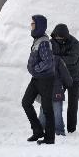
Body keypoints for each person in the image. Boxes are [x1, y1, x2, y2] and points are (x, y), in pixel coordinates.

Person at [21, 15, 55, 145]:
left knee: (47, 108)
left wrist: (36, 68)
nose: (31, 25)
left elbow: (47, 61)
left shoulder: (44, 42)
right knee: (26, 102)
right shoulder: (38, 40)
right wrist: (35, 71)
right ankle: (38, 131)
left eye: (33, 23)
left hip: (45, 79)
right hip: (36, 78)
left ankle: (49, 138)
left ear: (39, 25)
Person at [49, 24, 79, 133]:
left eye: (61, 37)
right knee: (56, 102)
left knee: (73, 104)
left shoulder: (74, 42)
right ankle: (57, 126)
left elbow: (73, 59)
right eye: (57, 37)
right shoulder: (51, 42)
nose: (58, 39)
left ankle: (71, 129)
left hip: (74, 77)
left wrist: (57, 59)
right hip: (59, 77)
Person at [38, 55, 72, 136]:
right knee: (56, 113)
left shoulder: (41, 60)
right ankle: (59, 131)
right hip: (56, 91)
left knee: (44, 111)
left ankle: (40, 129)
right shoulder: (57, 60)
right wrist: (66, 84)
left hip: (46, 91)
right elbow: (66, 77)